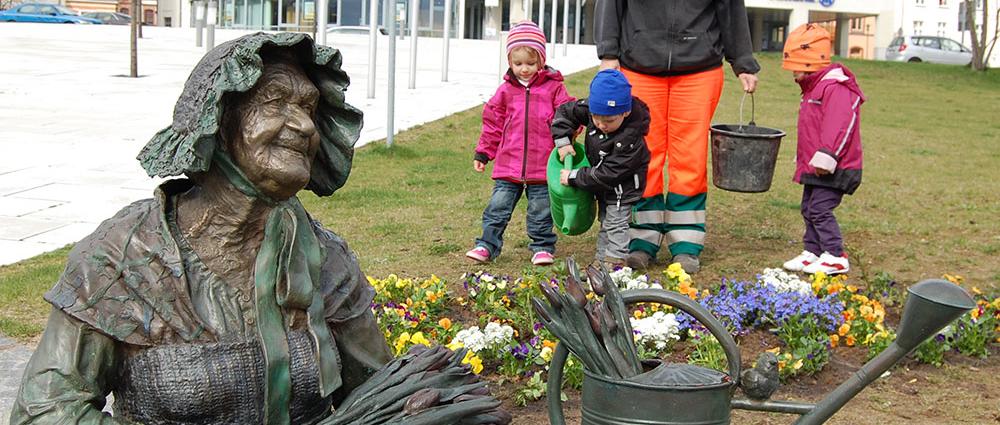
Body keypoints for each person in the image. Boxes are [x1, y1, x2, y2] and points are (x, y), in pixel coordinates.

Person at [10, 33, 503, 425]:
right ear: (218, 120)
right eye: (273, 100)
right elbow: (45, 409)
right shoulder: (122, 257)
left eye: (309, 108)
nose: (304, 125)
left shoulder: (325, 261)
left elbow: (377, 394)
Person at [595, 0, 760, 273]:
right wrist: (608, 53)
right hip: (639, 66)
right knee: (641, 157)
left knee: (691, 158)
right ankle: (640, 240)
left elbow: (730, 7)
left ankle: (686, 243)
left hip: (700, 68)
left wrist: (742, 60)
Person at [467, 21, 575, 266]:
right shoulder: (505, 91)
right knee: (497, 209)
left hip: (542, 167)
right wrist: (483, 153)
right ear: (509, 62)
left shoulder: (554, 89)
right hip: (509, 165)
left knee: (541, 212)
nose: (524, 69)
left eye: (530, 63)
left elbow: (569, 115)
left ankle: (542, 247)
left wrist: (567, 140)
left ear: (541, 60)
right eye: (518, 64)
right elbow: (492, 123)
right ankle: (486, 245)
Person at [779, 24, 864, 275]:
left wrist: (829, 153)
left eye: (796, 68)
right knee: (808, 207)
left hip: (836, 165)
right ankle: (813, 251)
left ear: (809, 64)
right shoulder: (813, 89)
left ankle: (835, 255)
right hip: (815, 165)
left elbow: (840, 124)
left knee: (820, 208)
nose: (793, 74)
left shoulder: (835, 87)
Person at [552, 69, 650, 267]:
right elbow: (565, 112)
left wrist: (574, 176)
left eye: (609, 121)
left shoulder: (630, 138)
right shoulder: (592, 108)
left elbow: (611, 173)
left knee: (615, 223)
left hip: (622, 187)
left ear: (625, 112)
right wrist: (563, 142)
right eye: (596, 119)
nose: (601, 125)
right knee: (605, 221)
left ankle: (614, 264)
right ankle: (601, 262)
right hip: (602, 182)